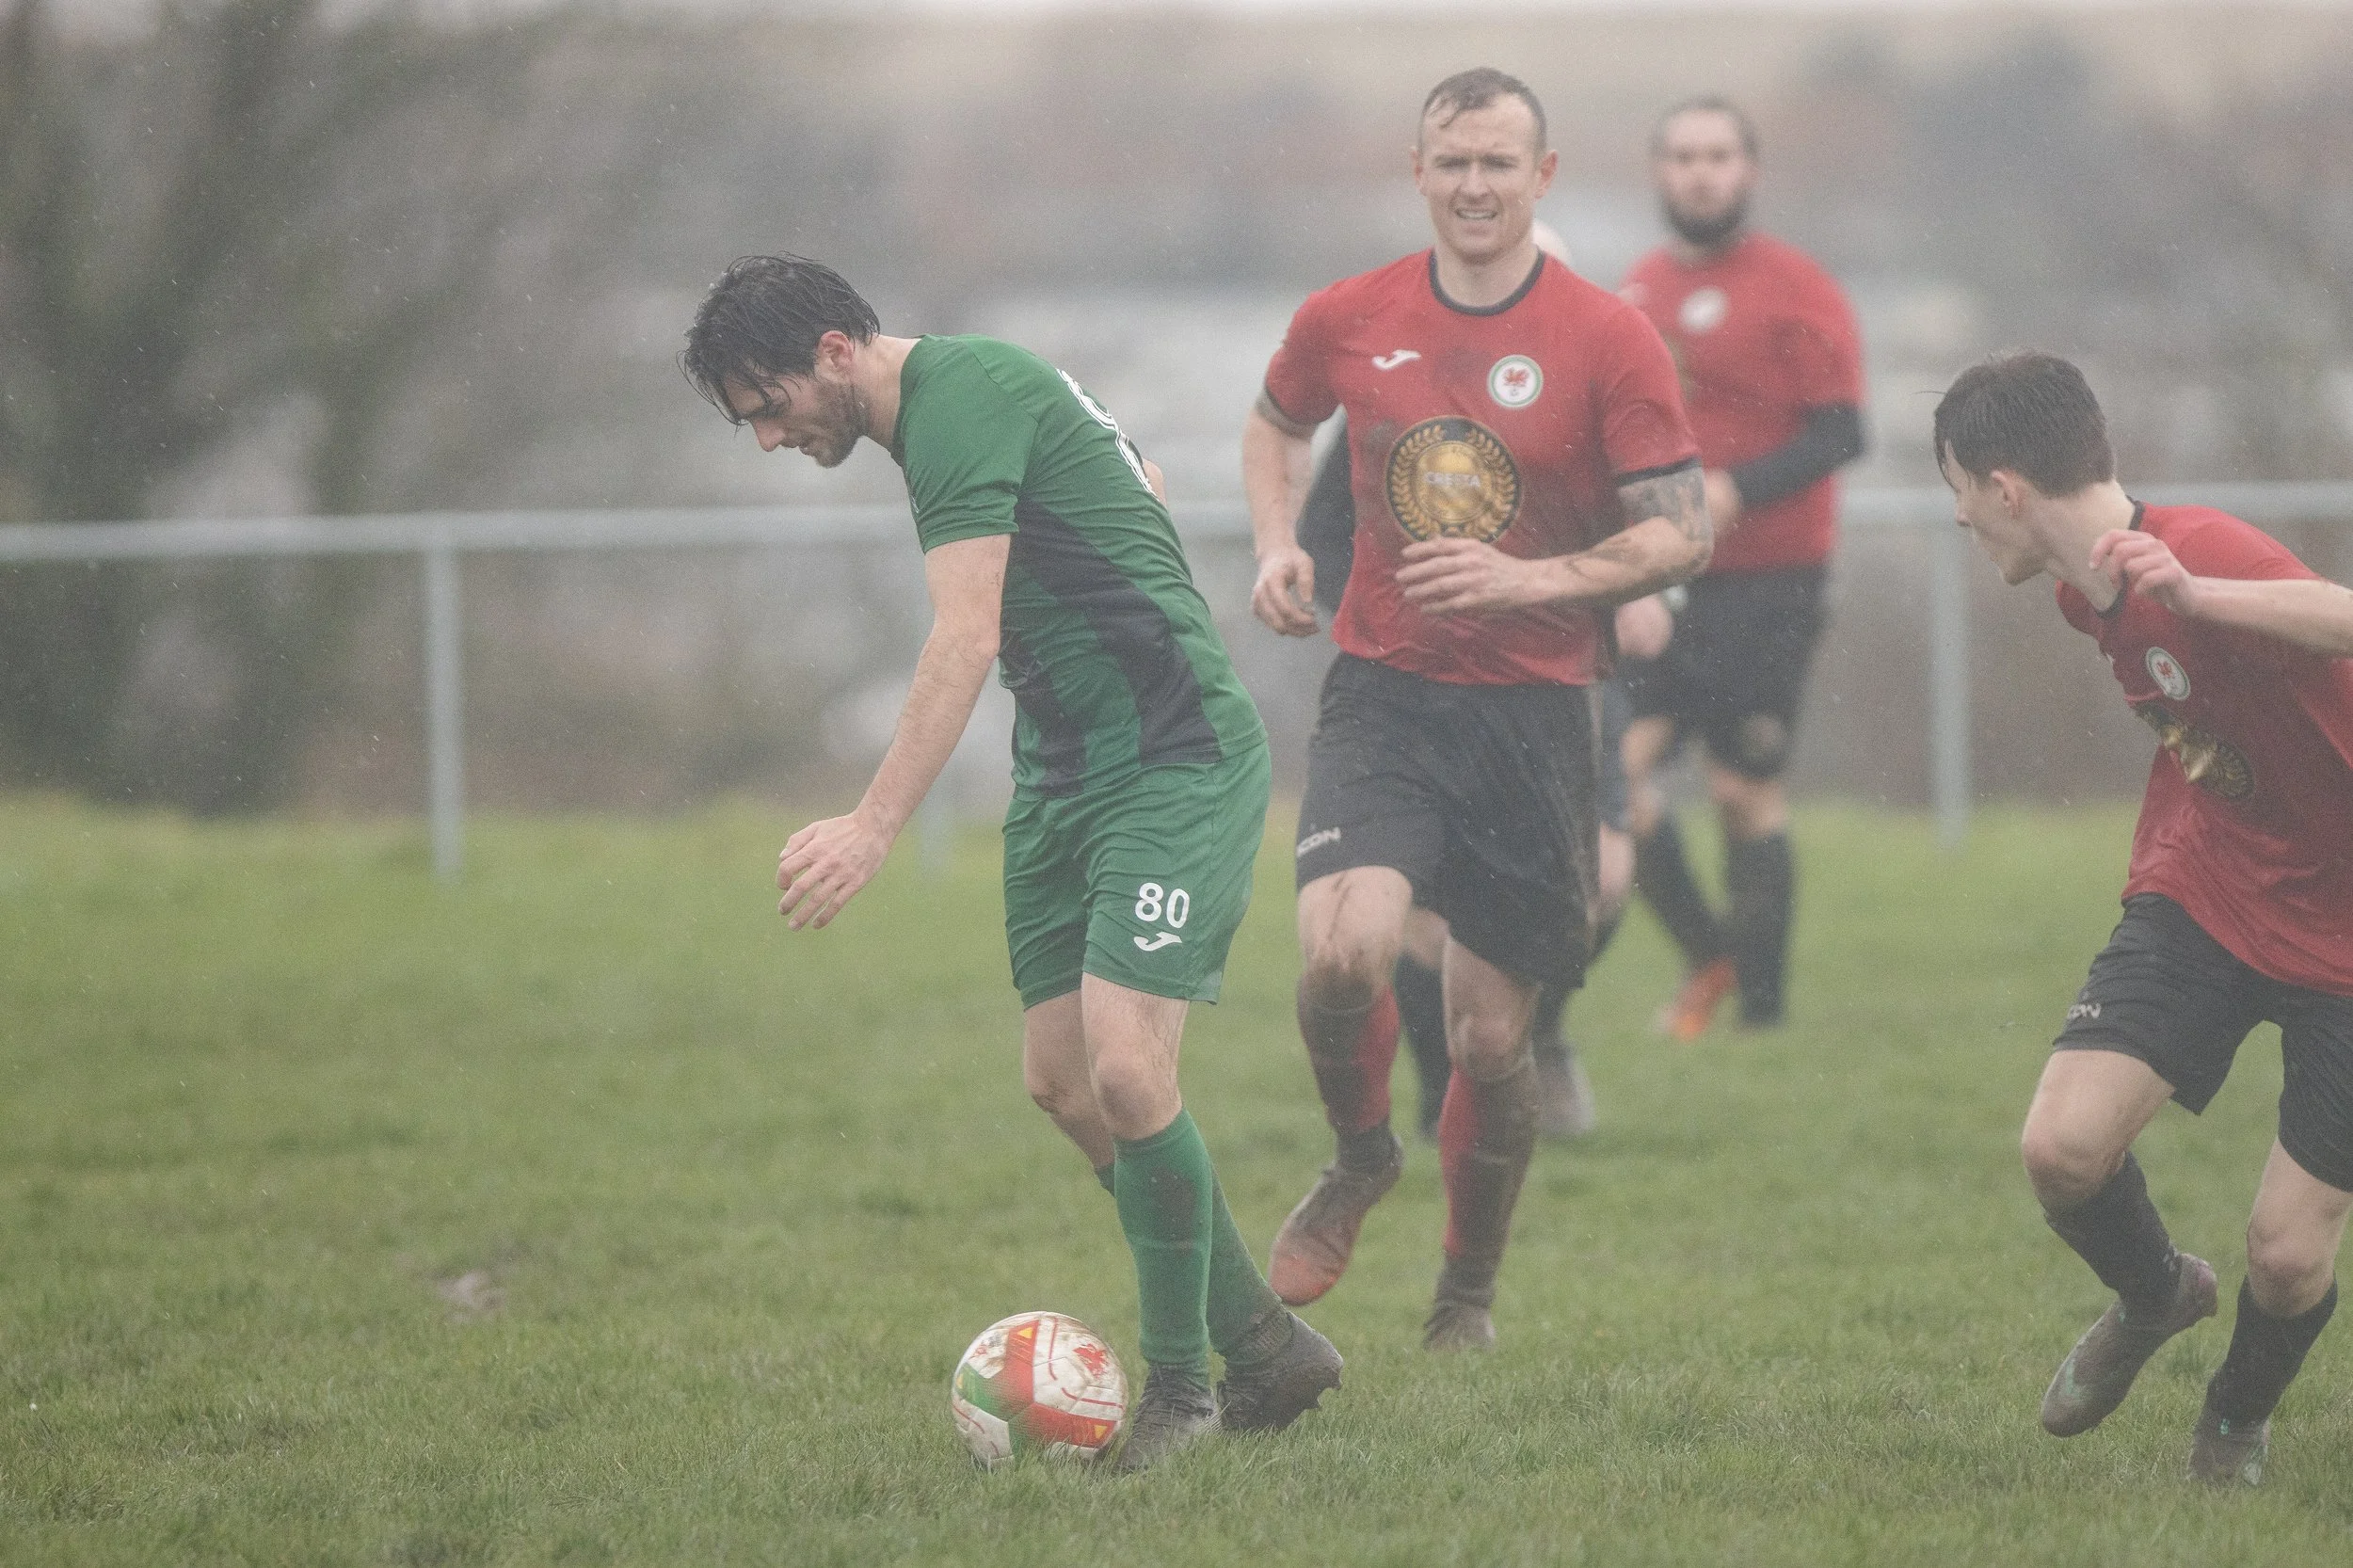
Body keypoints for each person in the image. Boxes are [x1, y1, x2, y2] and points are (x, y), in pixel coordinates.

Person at [680, 255, 1340, 1472]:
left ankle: (1188, 1395)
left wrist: (871, 824)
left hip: (1171, 754)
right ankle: (1267, 1343)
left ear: (834, 349)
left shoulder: (961, 396)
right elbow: (1127, 471)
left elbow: (965, 632)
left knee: (1132, 1071)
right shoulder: (971, 398)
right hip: (1066, 769)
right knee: (1063, 1081)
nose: (769, 439)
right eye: (749, 424)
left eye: (767, 405)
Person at [1243, 69, 1709, 1350]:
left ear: (1542, 176)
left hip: (1539, 715)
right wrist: (1278, 542)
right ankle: (1356, 1156)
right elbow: (1275, 422)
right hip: (1386, 696)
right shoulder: (1350, 315)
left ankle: (1467, 1289)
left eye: (1499, 163)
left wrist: (1534, 579)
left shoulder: (1610, 337)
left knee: (1491, 1039)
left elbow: (1682, 533)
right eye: (1453, 162)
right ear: (1420, 172)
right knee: (1340, 949)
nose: (1475, 184)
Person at [1935, 350, 2353, 1485]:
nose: (1964, 525)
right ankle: (2155, 1290)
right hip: (2210, 891)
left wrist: (2199, 594)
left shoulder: (2199, 550)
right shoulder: (2086, 592)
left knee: (2285, 1252)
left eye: (1961, 499)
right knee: (2061, 1149)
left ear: (2006, 488)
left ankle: (2233, 1417)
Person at [1616, 96, 1866, 1038]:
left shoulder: (1795, 286)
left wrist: (1735, 489)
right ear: (1659, 171)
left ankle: (1762, 1018)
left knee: (1738, 787)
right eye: (1681, 155)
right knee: (1615, 777)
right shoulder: (1636, 290)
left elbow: (1845, 431)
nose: (1699, 171)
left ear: (1748, 171)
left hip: (1771, 580)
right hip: (1665, 579)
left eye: (1717, 154)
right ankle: (1710, 953)